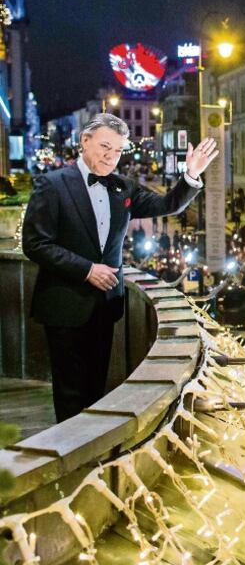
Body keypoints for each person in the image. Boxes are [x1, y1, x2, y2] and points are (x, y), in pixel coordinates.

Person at [21, 114, 218, 421]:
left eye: (117, 150)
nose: (110, 156)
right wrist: (87, 269)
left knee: (97, 387)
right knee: (70, 392)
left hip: (106, 304)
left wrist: (191, 175)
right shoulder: (52, 185)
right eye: (104, 146)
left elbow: (167, 205)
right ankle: (71, 455)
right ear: (84, 141)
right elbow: (35, 244)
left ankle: (93, 454)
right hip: (64, 304)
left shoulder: (123, 188)